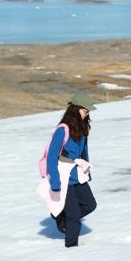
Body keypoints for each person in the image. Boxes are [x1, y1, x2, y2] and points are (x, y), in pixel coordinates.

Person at [47, 92, 98, 247]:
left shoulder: (82, 129)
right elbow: (51, 157)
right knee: (74, 215)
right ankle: (71, 248)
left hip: (78, 175)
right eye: (86, 110)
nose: (88, 113)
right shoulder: (62, 130)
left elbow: (84, 153)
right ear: (76, 109)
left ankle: (61, 216)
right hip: (64, 177)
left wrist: (86, 173)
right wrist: (55, 183)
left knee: (90, 205)